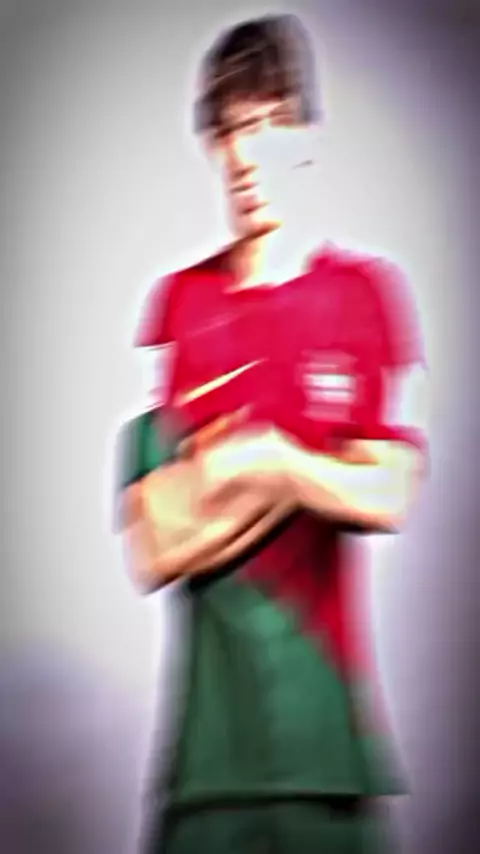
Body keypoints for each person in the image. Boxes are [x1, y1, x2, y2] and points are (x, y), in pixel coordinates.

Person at [115, 13, 428, 854]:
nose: (248, 156)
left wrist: (263, 457)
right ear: (212, 146)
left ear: (307, 137)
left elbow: (388, 494)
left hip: (329, 752)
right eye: (230, 129)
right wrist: (316, 470)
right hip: (206, 763)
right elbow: (154, 542)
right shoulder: (181, 302)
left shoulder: (363, 294)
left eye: (269, 124)